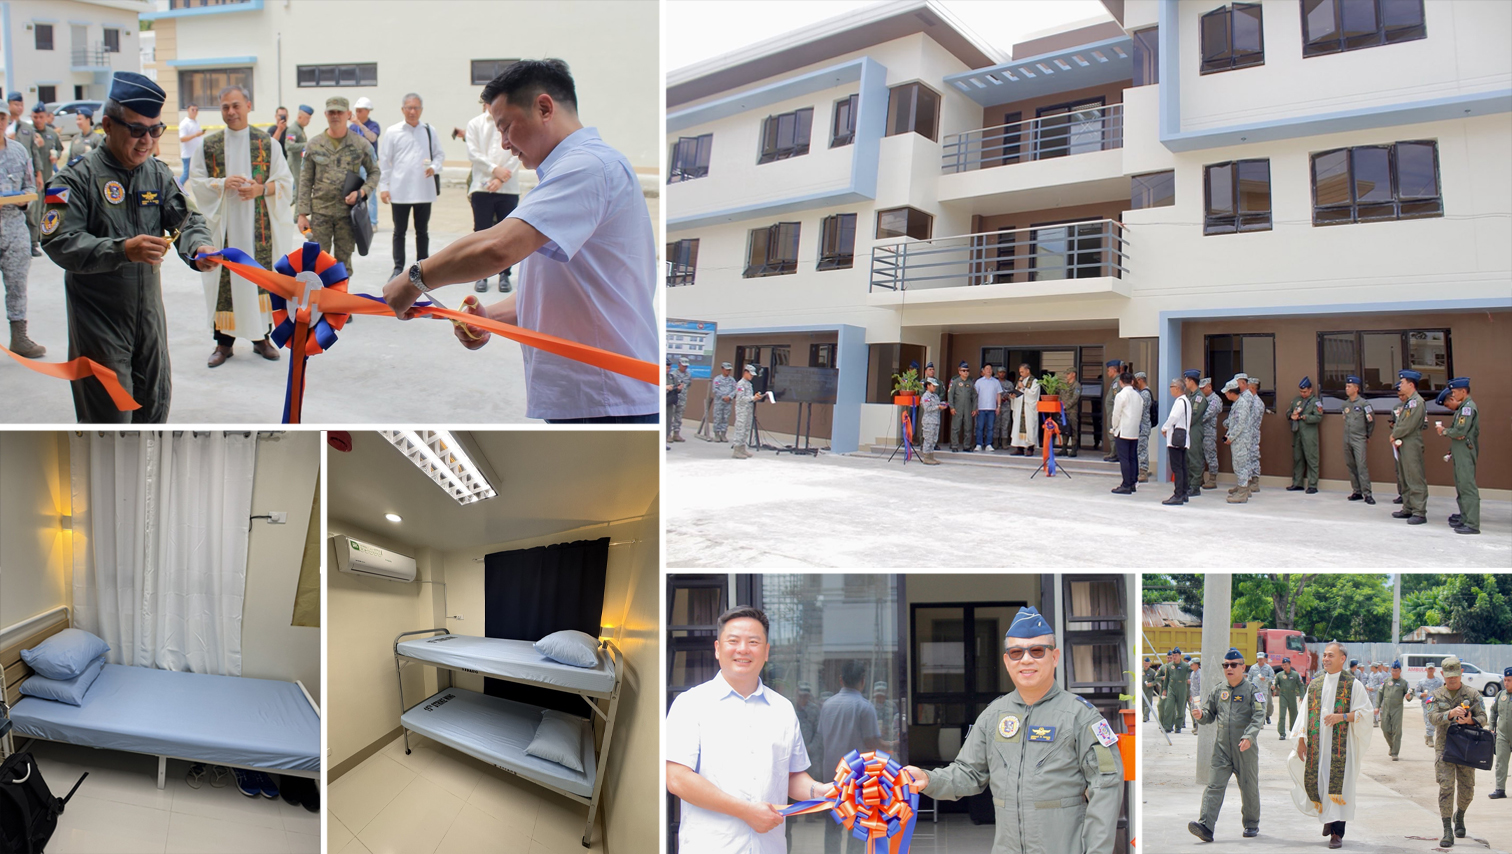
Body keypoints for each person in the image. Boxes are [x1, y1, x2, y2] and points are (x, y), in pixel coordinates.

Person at [380, 60, 659, 423]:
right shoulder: (575, 169)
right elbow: (566, 287)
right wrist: (490, 317)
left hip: (608, 397)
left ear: (544, 108)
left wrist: (415, 278)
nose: (505, 144)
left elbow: (499, 246)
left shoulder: (588, 167)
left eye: (506, 127)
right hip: (592, 394)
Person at [40, 71, 215, 422]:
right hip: (99, 321)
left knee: (154, 409)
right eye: (136, 130)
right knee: (110, 417)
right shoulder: (72, 180)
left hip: (148, 318)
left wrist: (199, 248)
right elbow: (57, 240)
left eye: (155, 130)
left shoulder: (158, 174)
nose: (146, 141)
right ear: (107, 124)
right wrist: (122, 250)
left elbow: (188, 220)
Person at [903, 606, 1123, 854]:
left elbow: (1106, 784)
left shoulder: (1082, 717)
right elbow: (968, 774)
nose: (1026, 659)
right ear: (1007, 661)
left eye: (1037, 651)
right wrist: (927, 779)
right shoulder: (993, 716)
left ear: (1055, 657)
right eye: (1016, 653)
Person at [665, 606, 831, 854]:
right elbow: (676, 778)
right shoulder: (691, 704)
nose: (743, 649)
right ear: (718, 649)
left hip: (769, 847)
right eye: (733, 641)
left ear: (766, 652)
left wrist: (820, 791)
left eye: (753, 642)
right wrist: (746, 811)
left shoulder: (783, 709)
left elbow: (792, 776)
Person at [189, 84, 293, 368]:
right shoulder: (208, 145)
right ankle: (224, 344)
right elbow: (196, 183)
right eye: (225, 107)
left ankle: (262, 339)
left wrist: (261, 190)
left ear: (248, 105)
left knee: (260, 280)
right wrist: (222, 184)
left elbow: (286, 184)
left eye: (236, 105)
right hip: (224, 231)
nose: (231, 112)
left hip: (259, 232)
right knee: (226, 280)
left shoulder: (268, 144)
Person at [1287, 641, 1372, 849]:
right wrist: (1300, 740)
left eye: (1330, 655)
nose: (1325, 659)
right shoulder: (1315, 684)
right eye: (1324, 655)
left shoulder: (1353, 685)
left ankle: (1336, 833)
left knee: (1339, 788)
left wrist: (1341, 716)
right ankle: (1327, 818)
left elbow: (1365, 714)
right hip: (1317, 747)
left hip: (1343, 749)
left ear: (1342, 659)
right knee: (1321, 784)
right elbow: (1304, 714)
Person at [1189, 648, 1264, 842]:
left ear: (1243, 667)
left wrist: (1249, 737)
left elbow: (1258, 717)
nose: (1228, 668)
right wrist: (1200, 716)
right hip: (1222, 749)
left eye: (1233, 665)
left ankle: (1251, 823)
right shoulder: (1218, 690)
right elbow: (1208, 714)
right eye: (1225, 665)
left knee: (1248, 787)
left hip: (1244, 748)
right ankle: (1206, 826)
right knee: (1214, 786)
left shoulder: (1253, 691)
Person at [297, 97, 379, 274]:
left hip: (347, 215)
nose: (335, 116)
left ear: (348, 114)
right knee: (318, 263)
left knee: (343, 265)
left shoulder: (360, 144)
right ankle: (322, 301)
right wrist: (302, 214)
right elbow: (305, 180)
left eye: (339, 112)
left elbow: (375, 172)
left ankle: (340, 300)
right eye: (331, 112)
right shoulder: (314, 144)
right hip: (320, 214)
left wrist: (363, 192)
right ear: (326, 114)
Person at [378, 93, 445, 280]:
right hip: (399, 191)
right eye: (409, 107)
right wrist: (384, 186)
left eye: (416, 108)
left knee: (422, 231)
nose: (412, 111)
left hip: (423, 190)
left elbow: (439, 154)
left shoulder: (429, 131)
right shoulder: (393, 131)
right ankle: (398, 268)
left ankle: (422, 267)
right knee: (399, 232)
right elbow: (385, 161)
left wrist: (434, 167)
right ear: (402, 110)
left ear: (421, 110)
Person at [1426, 655, 1487, 847]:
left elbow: (1484, 717)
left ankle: (1459, 815)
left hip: (1467, 748)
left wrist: (1470, 721)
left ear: (1461, 673)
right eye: (1448, 675)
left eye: (1455, 675)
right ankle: (1446, 830)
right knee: (1446, 787)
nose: (1452, 679)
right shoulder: (1435, 695)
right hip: (1444, 749)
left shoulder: (1473, 694)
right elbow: (1432, 717)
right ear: (1442, 674)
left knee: (1467, 789)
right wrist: (1450, 714)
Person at [465, 100, 522, 293]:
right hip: (482, 186)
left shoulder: (515, 122)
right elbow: (473, 153)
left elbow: (518, 151)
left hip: (508, 187)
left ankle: (505, 274)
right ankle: (481, 274)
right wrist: (494, 170)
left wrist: (502, 178)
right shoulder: (475, 124)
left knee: (507, 234)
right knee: (481, 232)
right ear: (485, 103)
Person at [1, 108, 41, 357]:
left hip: (14, 229)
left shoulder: (18, 151)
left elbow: (28, 185)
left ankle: (19, 337)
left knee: (17, 285)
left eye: (1, 117)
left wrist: (24, 200)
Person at [1436, 376, 1480, 535]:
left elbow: (1461, 431)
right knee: (1461, 485)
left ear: (1463, 391)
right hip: (1459, 450)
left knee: (1467, 486)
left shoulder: (1468, 408)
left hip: (1465, 452)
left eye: (1454, 392)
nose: (1453, 395)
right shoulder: (1463, 407)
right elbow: (1459, 433)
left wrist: (1445, 431)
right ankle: (1465, 516)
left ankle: (1472, 523)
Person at [1390, 370, 1428, 525]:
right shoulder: (1408, 402)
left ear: (1411, 385)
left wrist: (1395, 434)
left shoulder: (1417, 402)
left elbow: (1408, 424)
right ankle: (1408, 507)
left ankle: (1419, 511)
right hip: (1403, 442)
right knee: (1405, 475)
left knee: (1415, 476)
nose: (1400, 385)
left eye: (1403, 382)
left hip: (1411, 442)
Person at [29, 102, 62, 257]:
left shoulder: (51, 133)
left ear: (46, 117)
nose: (38, 120)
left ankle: (48, 235)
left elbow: (59, 148)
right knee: (34, 211)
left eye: (41, 117)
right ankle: (34, 240)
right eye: (35, 117)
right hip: (34, 179)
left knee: (50, 209)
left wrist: (55, 156)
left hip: (50, 177)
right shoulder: (29, 133)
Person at [1286, 377, 1325, 493]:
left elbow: (1318, 417)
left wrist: (1304, 417)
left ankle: (1312, 484)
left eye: (1305, 392)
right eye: (1301, 391)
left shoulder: (1315, 402)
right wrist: (1291, 415)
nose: (1302, 394)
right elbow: (1288, 412)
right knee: (1298, 458)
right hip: (1297, 434)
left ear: (1310, 390)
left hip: (1309, 435)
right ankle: (1297, 483)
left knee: (1311, 458)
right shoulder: (1296, 400)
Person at [1340, 376, 1375, 504]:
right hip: (1347, 438)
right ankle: (1357, 491)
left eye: (1349, 387)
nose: (1346, 389)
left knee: (1361, 465)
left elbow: (1371, 421)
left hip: (1359, 438)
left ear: (1356, 388)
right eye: (1346, 386)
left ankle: (1367, 493)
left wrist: (1367, 435)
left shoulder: (1364, 404)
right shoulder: (1345, 404)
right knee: (1351, 465)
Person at [350, 96, 381, 228]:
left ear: (368, 111)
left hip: (368, 165)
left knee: (371, 194)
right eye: (356, 111)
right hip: (356, 164)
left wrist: (360, 125)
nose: (357, 114)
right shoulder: (352, 127)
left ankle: (373, 222)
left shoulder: (373, 125)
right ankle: (358, 221)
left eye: (360, 111)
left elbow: (372, 137)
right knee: (356, 193)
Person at [1161, 377, 1192, 505]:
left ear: (1178, 388)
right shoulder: (1186, 401)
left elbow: (1173, 417)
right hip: (1183, 438)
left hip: (1176, 439)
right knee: (1182, 466)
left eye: (1171, 387)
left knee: (1177, 467)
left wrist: (1165, 427)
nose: (1170, 390)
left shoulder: (1180, 401)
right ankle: (1184, 492)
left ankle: (1178, 494)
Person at [1224, 378, 1256, 504]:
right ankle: (1242, 487)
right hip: (1238, 439)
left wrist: (1230, 437)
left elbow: (1240, 424)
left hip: (1241, 440)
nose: (1225, 395)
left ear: (1232, 392)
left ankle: (1242, 492)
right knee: (1238, 464)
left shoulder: (1241, 404)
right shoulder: (1237, 403)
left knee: (1241, 465)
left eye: (1227, 393)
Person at [1110, 371, 1141, 494]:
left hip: (1123, 430)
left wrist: (1114, 427)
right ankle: (1133, 482)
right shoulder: (1138, 396)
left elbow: (1116, 414)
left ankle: (1126, 484)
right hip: (1134, 430)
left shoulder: (1121, 395)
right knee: (1133, 457)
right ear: (1132, 381)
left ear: (1120, 382)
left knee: (1124, 459)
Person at [1007, 363, 1040, 456]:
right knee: (1018, 427)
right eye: (1020, 372)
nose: (1020, 374)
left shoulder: (1035, 382)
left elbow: (1033, 395)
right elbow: (1018, 392)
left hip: (1028, 409)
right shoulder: (1020, 381)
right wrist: (1013, 396)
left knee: (1029, 428)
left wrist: (1023, 388)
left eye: (1022, 372)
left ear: (1027, 371)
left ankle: (1030, 448)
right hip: (1019, 408)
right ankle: (1019, 448)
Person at [1378, 661, 1409, 761]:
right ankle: (1392, 746)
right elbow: (1380, 693)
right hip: (1386, 708)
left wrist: (1409, 696)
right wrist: (1377, 706)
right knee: (1385, 728)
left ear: (1400, 671)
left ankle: (1395, 752)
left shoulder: (1404, 683)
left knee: (1396, 730)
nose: (1394, 672)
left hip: (1397, 709)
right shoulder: (1386, 681)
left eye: (1396, 671)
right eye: (1392, 671)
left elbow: (1409, 694)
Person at [1183, 370, 1207, 496]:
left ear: (1192, 381)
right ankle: (1188, 484)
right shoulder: (1190, 396)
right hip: (1187, 431)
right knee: (1187, 458)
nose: (1185, 383)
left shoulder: (1199, 397)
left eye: (1186, 380)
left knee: (1195, 458)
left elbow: (1193, 416)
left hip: (1194, 431)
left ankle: (1195, 486)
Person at [1489, 667, 1512, 799]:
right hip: (1503, 735)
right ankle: (1500, 789)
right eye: (1505, 680)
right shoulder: (1500, 695)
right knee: (1500, 762)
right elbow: (1493, 711)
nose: (1506, 683)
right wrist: (1492, 727)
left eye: (1509, 680)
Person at [1159, 648, 1191, 734]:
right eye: (1173, 655)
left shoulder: (1185, 666)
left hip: (1181, 688)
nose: (1174, 657)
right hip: (1171, 688)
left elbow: (1193, 672)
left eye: (1176, 655)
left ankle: (1178, 727)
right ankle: (1167, 727)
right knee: (1168, 707)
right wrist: (1164, 689)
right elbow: (1166, 679)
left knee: (1180, 708)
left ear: (1180, 656)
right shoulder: (1169, 666)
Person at [283, 105, 312, 199]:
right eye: (307, 118)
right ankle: (296, 214)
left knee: (299, 191)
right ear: (300, 117)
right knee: (298, 191)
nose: (308, 121)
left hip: (299, 162)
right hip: (294, 162)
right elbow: (289, 146)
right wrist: (305, 144)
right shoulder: (293, 129)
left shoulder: (299, 129)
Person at [946, 361, 974, 453]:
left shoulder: (971, 383)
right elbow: (950, 395)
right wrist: (951, 407)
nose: (966, 372)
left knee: (968, 427)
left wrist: (974, 408)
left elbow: (975, 397)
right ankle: (954, 445)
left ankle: (966, 445)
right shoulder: (955, 382)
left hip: (968, 408)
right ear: (959, 372)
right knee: (955, 427)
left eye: (967, 370)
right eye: (964, 370)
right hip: (957, 408)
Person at [731, 364, 757, 458]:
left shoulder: (749, 384)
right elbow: (741, 398)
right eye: (750, 374)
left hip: (748, 409)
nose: (752, 376)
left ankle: (742, 448)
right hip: (742, 410)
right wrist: (752, 398)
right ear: (745, 372)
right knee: (740, 429)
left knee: (746, 429)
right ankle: (737, 449)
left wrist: (755, 397)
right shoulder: (740, 384)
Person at [973, 362, 1001, 452]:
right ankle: (979, 444)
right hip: (981, 408)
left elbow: (998, 394)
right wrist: (975, 407)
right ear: (983, 371)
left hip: (992, 408)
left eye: (990, 369)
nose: (988, 370)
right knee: (980, 427)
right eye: (987, 369)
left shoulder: (996, 382)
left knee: (990, 427)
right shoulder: (979, 382)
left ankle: (989, 444)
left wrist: (998, 406)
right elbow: (975, 395)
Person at [1274, 657, 1303, 741]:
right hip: (1283, 695)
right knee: (1282, 714)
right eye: (1283, 665)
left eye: (1286, 665)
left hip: (1292, 695)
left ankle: (1293, 731)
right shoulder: (1279, 675)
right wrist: (1274, 689)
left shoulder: (1295, 675)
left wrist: (1302, 695)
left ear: (1290, 664)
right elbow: (1275, 684)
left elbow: (1301, 685)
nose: (1284, 666)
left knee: (1294, 714)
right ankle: (1282, 733)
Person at [920, 376, 945, 465]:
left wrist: (941, 406)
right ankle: (926, 457)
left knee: (934, 439)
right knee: (928, 439)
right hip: (929, 421)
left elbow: (937, 406)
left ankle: (931, 456)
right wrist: (938, 407)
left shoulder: (935, 396)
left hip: (935, 420)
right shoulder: (926, 396)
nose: (934, 387)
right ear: (928, 386)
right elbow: (927, 408)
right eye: (933, 386)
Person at [1202, 376, 1222, 489]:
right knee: (1200, 456)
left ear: (1209, 387)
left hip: (1209, 432)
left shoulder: (1215, 400)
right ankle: (1199, 478)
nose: (1202, 391)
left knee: (1211, 455)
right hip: (1201, 432)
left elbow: (1206, 415)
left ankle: (1212, 479)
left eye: (1203, 388)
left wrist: (1194, 420)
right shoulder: (1203, 398)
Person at [177, 104, 204, 187]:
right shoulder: (185, 123)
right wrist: (195, 135)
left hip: (196, 153)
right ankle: (177, 188)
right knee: (186, 174)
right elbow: (182, 139)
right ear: (188, 110)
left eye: (196, 110)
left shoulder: (196, 122)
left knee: (198, 173)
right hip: (188, 154)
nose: (195, 112)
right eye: (193, 109)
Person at [1102, 360, 1124, 461]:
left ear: (1113, 370)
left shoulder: (1116, 382)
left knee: (1112, 429)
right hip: (1112, 411)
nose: (1108, 373)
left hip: (1114, 411)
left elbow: (1116, 397)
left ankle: (1114, 453)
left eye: (1108, 370)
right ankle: (1113, 451)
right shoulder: (1115, 381)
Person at [1134, 371, 1153, 481]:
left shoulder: (1145, 394)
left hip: (1143, 426)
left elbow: (1140, 409)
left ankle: (1143, 472)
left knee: (1142, 449)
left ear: (1140, 380)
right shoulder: (1141, 393)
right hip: (1140, 426)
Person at [1419, 663, 1443, 748]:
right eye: (1429, 669)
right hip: (1427, 703)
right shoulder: (1422, 681)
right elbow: (1417, 691)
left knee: (1436, 720)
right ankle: (1430, 738)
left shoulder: (1439, 681)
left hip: (1436, 703)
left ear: (1434, 670)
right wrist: (1421, 695)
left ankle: (1428, 735)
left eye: (1432, 669)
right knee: (1428, 720)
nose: (1430, 670)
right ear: (1426, 670)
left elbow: (1443, 690)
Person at [668, 356, 692, 443]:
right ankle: (668, 434)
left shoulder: (688, 375)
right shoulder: (673, 374)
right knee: (670, 416)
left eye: (686, 366)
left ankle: (676, 434)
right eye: (683, 365)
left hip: (683, 399)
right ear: (679, 364)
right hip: (674, 398)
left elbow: (688, 384)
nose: (685, 367)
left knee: (679, 417)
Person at [710, 362, 735, 443]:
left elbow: (736, 389)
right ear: (722, 369)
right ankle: (717, 434)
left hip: (728, 402)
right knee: (718, 417)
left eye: (729, 370)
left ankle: (723, 434)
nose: (728, 371)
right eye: (726, 370)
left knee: (726, 418)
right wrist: (723, 396)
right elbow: (715, 389)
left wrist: (730, 396)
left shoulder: (732, 380)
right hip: (719, 402)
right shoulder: (717, 379)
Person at [1248, 653, 1275, 725]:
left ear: (1264, 659)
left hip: (1263, 691)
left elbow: (1272, 677)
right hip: (1255, 690)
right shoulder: (1253, 668)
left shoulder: (1268, 668)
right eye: (1259, 659)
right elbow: (1249, 679)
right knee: (1256, 706)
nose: (1260, 660)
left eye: (1261, 659)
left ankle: (1262, 721)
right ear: (1256, 659)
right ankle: (1256, 721)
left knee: (1263, 706)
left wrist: (1265, 679)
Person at [1060, 369, 1081, 456]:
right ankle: (1064, 448)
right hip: (1063, 411)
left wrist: (1066, 406)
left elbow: (1075, 398)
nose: (1067, 376)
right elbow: (1060, 396)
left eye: (1068, 374)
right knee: (1064, 429)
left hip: (1072, 411)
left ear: (1073, 374)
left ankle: (1073, 449)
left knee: (1073, 429)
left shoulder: (1077, 386)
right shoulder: (1065, 385)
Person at [994, 366, 1013, 450]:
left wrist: (1007, 397)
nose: (1001, 374)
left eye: (1003, 372)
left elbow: (1013, 394)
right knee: (996, 424)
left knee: (1005, 424)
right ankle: (995, 442)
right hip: (996, 406)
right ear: (997, 373)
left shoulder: (1009, 384)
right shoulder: (994, 382)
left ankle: (1004, 442)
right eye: (1000, 372)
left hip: (1006, 406)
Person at [1187, 658, 1203, 730]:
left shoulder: (1200, 674)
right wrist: (1191, 695)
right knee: (1193, 710)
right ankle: (1196, 726)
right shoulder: (1192, 673)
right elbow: (1192, 685)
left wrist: (1200, 696)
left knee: (1198, 711)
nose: (1191, 666)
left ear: (1197, 665)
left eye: (1192, 664)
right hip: (1193, 695)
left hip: (1198, 696)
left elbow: (1201, 686)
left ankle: (1198, 728)